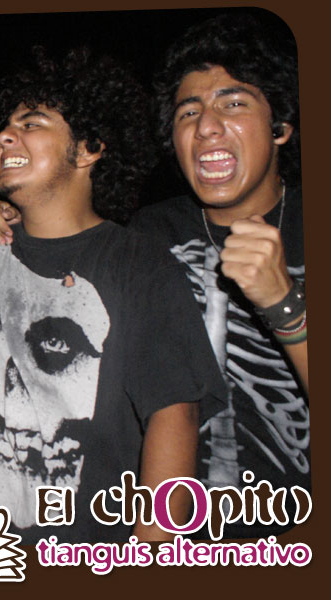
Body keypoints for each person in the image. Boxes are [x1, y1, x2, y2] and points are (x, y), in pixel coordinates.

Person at [0, 46, 225, 543]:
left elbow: (174, 418)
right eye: (6, 126)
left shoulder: (138, 263)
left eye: (32, 123)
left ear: (89, 149)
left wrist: (149, 554)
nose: (5, 135)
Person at [131, 14, 308, 538]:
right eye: (188, 111)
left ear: (281, 127)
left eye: (233, 104)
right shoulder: (148, 234)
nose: (206, 126)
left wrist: (285, 305)